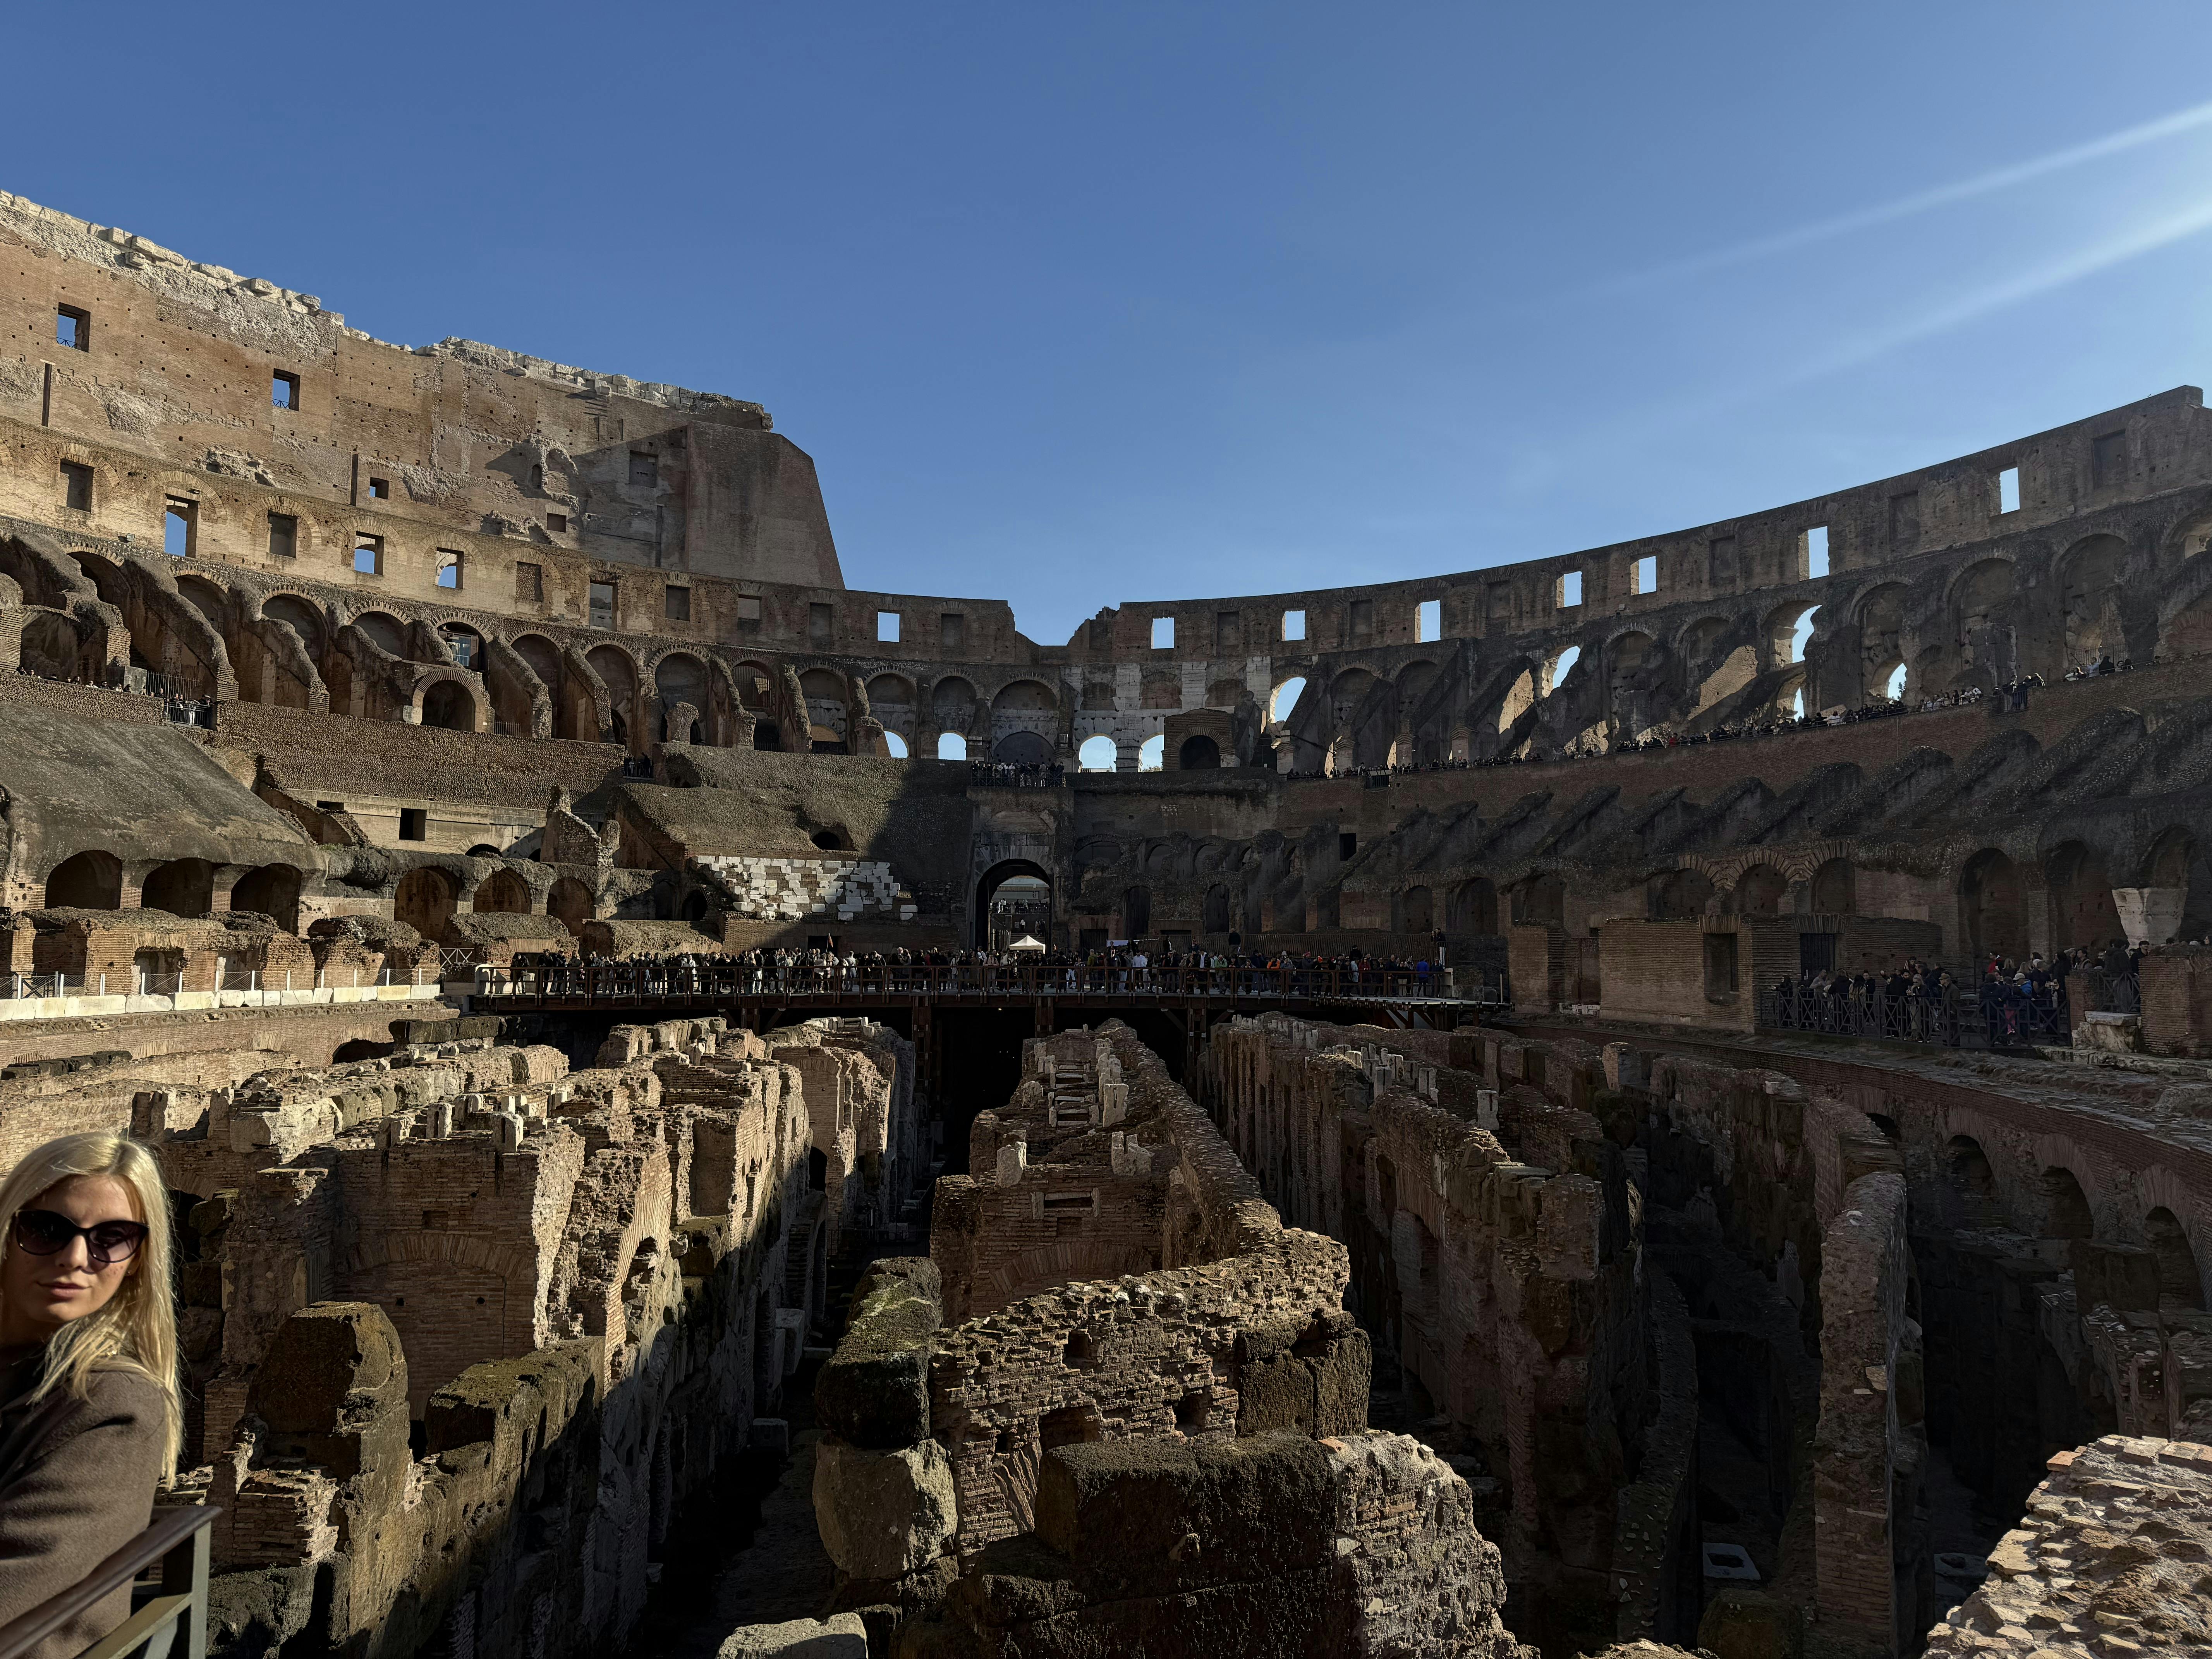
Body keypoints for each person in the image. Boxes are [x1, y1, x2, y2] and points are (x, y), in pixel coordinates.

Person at [0, 1133, 181, 1658]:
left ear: (137, 1260)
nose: (76, 1258)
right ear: (8, 1230)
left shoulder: (116, 1406)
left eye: (112, 1238)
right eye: (47, 1230)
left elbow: (15, 1583)